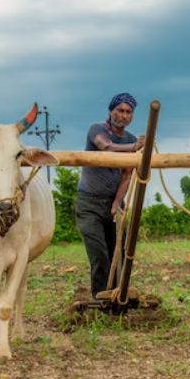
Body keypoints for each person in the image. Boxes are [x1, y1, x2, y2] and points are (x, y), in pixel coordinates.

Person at [76, 93, 146, 298]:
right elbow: (105, 147)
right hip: (88, 203)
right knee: (99, 254)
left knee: (121, 253)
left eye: (128, 112)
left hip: (114, 203)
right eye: (120, 110)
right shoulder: (97, 130)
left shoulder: (132, 139)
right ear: (111, 111)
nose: (123, 115)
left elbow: (127, 175)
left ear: (132, 116)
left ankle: (118, 296)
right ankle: (100, 298)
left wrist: (116, 203)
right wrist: (133, 149)